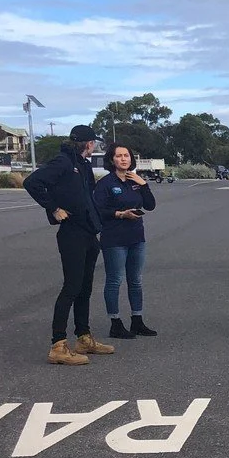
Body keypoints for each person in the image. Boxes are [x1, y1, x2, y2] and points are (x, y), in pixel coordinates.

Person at [24, 125, 114, 365]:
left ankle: (83, 337)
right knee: (71, 287)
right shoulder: (63, 162)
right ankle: (58, 345)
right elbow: (32, 182)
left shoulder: (83, 165)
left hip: (88, 232)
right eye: (93, 142)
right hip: (71, 233)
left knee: (85, 287)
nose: (94, 146)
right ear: (88, 143)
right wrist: (54, 208)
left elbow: (87, 197)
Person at [93, 142, 158, 340]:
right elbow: (98, 210)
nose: (123, 159)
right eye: (119, 156)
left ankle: (137, 320)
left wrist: (144, 184)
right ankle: (115, 323)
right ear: (111, 160)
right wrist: (120, 214)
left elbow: (150, 205)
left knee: (135, 280)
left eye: (126, 156)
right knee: (115, 280)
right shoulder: (105, 183)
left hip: (136, 237)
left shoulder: (135, 181)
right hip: (114, 239)